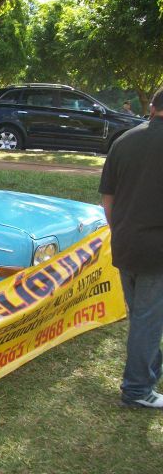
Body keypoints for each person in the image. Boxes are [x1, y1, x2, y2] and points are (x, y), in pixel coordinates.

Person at [98, 87, 163, 408]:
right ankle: (137, 390)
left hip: (125, 243)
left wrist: (120, 231)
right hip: (156, 250)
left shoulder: (123, 141)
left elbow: (107, 200)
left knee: (142, 315)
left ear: (152, 107)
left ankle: (148, 373)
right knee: (148, 320)